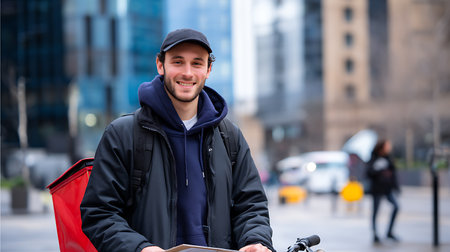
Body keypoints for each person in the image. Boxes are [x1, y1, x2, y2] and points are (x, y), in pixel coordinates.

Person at [80, 28, 274, 252]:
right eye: (178, 62)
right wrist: (140, 248)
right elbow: (99, 213)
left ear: (208, 69)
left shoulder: (229, 136)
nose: (188, 73)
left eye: (197, 63)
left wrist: (254, 240)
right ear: (160, 65)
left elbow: (252, 206)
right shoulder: (122, 134)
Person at [366, 139, 400, 243]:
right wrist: (379, 170)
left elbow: (393, 173)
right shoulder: (373, 157)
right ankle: (375, 234)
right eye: (387, 146)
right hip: (377, 188)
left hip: (387, 188)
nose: (389, 148)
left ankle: (389, 232)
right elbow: (368, 172)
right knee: (376, 212)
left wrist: (396, 187)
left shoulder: (388, 158)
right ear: (382, 147)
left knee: (396, 207)